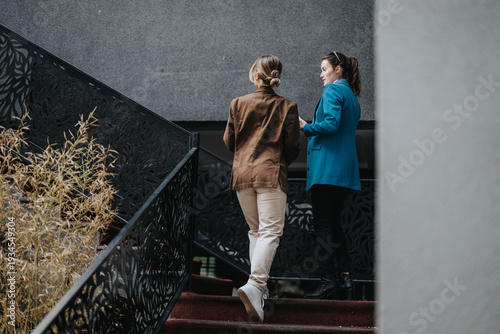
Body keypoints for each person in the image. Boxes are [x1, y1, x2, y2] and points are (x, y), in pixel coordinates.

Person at [223, 55, 300, 322]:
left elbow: (229, 141)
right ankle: (255, 285)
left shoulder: (237, 103)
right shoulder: (288, 106)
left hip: (242, 175)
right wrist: (276, 161)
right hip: (271, 174)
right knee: (270, 232)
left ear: (256, 75)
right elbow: (292, 148)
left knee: (256, 231)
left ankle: (260, 289)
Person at [298, 51, 362, 300]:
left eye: (324, 68)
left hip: (327, 169)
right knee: (334, 225)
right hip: (345, 171)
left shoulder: (333, 91)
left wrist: (307, 127)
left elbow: (331, 124)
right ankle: (345, 280)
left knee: (323, 225)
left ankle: (328, 281)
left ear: (338, 69)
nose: (321, 74)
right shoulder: (352, 97)